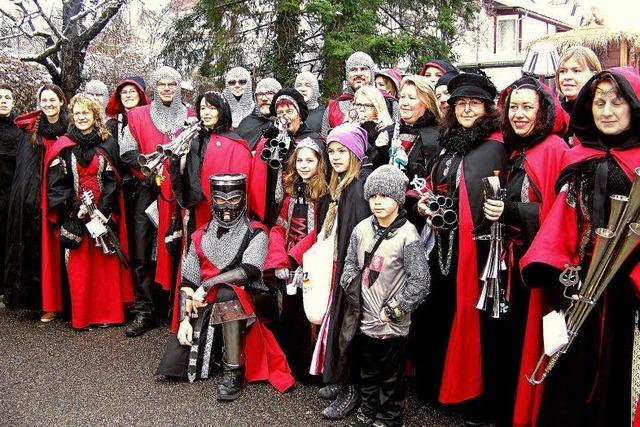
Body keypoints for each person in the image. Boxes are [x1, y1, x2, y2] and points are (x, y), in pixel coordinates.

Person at [521, 67, 640, 427]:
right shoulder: (580, 156)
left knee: (617, 374)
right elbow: (563, 218)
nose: (606, 111)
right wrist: (558, 271)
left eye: (617, 103)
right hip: (579, 284)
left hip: (628, 287)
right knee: (571, 369)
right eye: (599, 102)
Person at [414, 72, 507, 424]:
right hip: (439, 243)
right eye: (461, 103)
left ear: (486, 107)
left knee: (471, 320)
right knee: (438, 311)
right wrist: (424, 203)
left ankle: (472, 397)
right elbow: (439, 183)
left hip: (476, 249)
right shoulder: (449, 140)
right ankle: (438, 386)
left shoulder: (495, 147)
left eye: (474, 103)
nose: (467, 109)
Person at [156, 173, 295, 400]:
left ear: (244, 200)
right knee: (174, 366)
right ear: (213, 201)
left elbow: (250, 271)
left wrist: (207, 285)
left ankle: (234, 372)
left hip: (249, 299)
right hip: (208, 299)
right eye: (221, 201)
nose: (227, 207)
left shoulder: (255, 232)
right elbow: (188, 281)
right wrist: (183, 320)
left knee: (227, 294)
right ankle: (217, 354)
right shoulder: (200, 235)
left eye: (233, 200)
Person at [482, 76, 570, 426]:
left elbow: (558, 214)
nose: (518, 114)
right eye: (513, 107)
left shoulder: (554, 150)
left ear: (543, 111)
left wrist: (511, 211)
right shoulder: (519, 150)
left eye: (527, 107)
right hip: (512, 262)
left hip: (535, 267)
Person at [339, 165, 430, 427]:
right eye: (373, 196)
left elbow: (420, 281)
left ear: (399, 199)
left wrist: (395, 309)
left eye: (384, 196)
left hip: (392, 325)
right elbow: (350, 264)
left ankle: (389, 417)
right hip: (364, 318)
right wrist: (351, 286)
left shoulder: (407, 235)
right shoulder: (361, 229)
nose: (377, 202)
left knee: (391, 376)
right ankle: (367, 410)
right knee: (367, 371)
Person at [42, 94, 133, 329]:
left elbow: (113, 178)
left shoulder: (108, 142)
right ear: (73, 116)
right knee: (80, 266)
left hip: (104, 211)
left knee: (106, 263)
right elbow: (56, 182)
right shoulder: (63, 145)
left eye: (87, 113)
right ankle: (83, 316)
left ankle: (109, 315)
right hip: (75, 212)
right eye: (78, 113)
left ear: (95, 116)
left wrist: (103, 210)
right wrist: (75, 208)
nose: (82, 117)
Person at [301, 123, 371, 419]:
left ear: (355, 151)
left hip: (354, 271)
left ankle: (351, 389)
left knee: (349, 328)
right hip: (340, 264)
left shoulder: (359, 186)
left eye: (342, 151)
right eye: (330, 152)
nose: (335, 157)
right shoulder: (342, 182)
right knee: (338, 323)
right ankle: (340, 378)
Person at [119, 66, 195, 337]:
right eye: (162, 84)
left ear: (178, 88)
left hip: (180, 194)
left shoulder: (191, 116)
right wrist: (152, 176)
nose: (166, 89)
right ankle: (144, 310)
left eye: (171, 85)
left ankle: (173, 307)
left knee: (177, 247)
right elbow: (127, 153)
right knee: (142, 250)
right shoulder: (138, 116)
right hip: (147, 189)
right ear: (154, 87)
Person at [263, 137, 328, 382]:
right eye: (299, 160)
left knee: (310, 315)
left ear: (320, 163)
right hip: (288, 266)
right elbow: (280, 226)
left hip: (312, 263)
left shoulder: (324, 197)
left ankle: (312, 370)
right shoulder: (291, 193)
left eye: (309, 160)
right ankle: (291, 362)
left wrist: (298, 258)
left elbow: (320, 231)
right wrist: (279, 259)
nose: (303, 165)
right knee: (289, 313)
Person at [5, 84, 67, 313]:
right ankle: (44, 303)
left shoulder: (69, 127)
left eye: (53, 100)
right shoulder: (31, 130)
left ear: (62, 102)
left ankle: (64, 303)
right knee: (41, 249)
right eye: (44, 101)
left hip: (61, 194)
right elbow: (25, 169)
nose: (48, 104)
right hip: (36, 198)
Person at [170, 90, 252, 234]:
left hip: (223, 211)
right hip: (197, 208)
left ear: (222, 111)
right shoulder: (193, 139)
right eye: (202, 108)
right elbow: (183, 176)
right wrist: (180, 159)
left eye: (212, 108)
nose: (206, 113)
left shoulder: (236, 144)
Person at [248, 88, 324, 228]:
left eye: (289, 112)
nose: (285, 117)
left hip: (301, 204)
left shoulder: (314, 141)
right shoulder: (270, 140)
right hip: (274, 205)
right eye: (280, 113)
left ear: (299, 114)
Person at [320, 51, 377, 136]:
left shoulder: (385, 104)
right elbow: (325, 141)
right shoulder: (333, 108)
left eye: (363, 69)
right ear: (347, 74)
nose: (358, 74)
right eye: (353, 70)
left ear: (371, 73)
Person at [0, 84, 21, 299]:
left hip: (12, 193)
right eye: (0, 97)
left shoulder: (20, 130)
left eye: (7, 97)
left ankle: (8, 288)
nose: (3, 101)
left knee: (9, 239)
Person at [350, 85, 395, 169]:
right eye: (358, 104)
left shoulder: (389, 130)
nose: (362, 109)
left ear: (377, 106)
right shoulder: (352, 128)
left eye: (367, 105)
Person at [236, 77, 282, 150]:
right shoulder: (246, 123)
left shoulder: (288, 122)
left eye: (270, 93)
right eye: (260, 94)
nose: (264, 99)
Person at [555, 46, 602, 116]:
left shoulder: (601, 114)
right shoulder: (552, 114)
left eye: (576, 71)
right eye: (562, 71)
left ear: (593, 76)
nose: (567, 77)